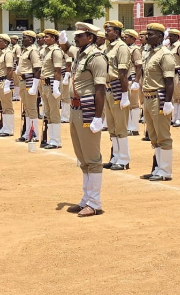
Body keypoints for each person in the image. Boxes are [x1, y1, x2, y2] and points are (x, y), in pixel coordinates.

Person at [59, 22, 107, 217]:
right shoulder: (81, 54)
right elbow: (68, 49)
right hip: (75, 107)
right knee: (82, 157)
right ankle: (86, 199)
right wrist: (62, 44)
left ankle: (94, 202)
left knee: (92, 158)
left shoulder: (97, 58)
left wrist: (97, 117)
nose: (75, 38)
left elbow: (100, 89)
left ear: (90, 38)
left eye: (80, 35)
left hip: (88, 109)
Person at [139, 23, 176, 181]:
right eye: (147, 34)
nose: (147, 37)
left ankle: (165, 171)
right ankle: (158, 168)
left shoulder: (164, 54)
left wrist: (168, 102)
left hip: (159, 97)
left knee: (163, 135)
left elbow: (169, 81)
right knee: (153, 136)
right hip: (148, 97)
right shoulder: (149, 53)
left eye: (151, 34)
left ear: (160, 37)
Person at [102, 21, 132, 170]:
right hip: (107, 89)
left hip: (117, 88)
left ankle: (124, 159)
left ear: (118, 32)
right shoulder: (107, 47)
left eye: (109, 30)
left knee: (120, 126)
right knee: (112, 126)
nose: (106, 32)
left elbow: (122, 73)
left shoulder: (122, 48)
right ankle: (115, 157)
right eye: (106, 30)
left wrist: (125, 95)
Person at [40, 29, 65, 149]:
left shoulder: (56, 51)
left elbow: (57, 70)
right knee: (48, 112)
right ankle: (51, 139)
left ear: (54, 39)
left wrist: (55, 86)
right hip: (44, 84)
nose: (45, 39)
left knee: (54, 112)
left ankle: (56, 140)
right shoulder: (45, 50)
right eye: (44, 37)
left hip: (51, 84)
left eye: (47, 37)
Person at [16, 31, 41, 143]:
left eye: (25, 38)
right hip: (23, 80)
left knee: (31, 108)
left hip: (29, 80)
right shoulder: (24, 51)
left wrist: (34, 86)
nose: (22, 39)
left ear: (31, 39)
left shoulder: (33, 51)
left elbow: (37, 69)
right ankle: (27, 133)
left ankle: (34, 134)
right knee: (26, 109)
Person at [0, 34, 15, 137]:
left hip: (5, 81)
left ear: (6, 43)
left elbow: (10, 69)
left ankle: (9, 129)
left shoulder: (8, 53)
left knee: (8, 105)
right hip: (0, 81)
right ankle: (5, 127)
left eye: (0, 41)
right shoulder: (0, 53)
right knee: (4, 105)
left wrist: (8, 83)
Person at [167, 29, 180, 127]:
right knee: (175, 97)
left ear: (176, 37)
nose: (169, 38)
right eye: (169, 36)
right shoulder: (170, 47)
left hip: (177, 73)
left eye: (171, 36)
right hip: (170, 73)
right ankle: (175, 118)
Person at [124, 29, 143, 136]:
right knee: (127, 105)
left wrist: (136, 81)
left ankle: (134, 128)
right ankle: (129, 126)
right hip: (126, 79)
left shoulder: (135, 49)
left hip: (132, 79)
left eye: (126, 37)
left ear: (132, 38)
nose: (124, 38)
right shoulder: (125, 48)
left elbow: (139, 66)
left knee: (134, 104)